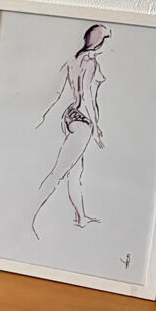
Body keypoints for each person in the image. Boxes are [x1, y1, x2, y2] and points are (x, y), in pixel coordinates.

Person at [31, 24, 111, 237]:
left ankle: (81, 217)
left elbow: (64, 93)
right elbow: (87, 96)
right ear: (100, 42)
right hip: (83, 120)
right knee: (59, 172)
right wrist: (96, 128)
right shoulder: (91, 62)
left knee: (75, 173)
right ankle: (28, 214)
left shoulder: (74, 60)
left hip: (70, 116)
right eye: (106, 40)